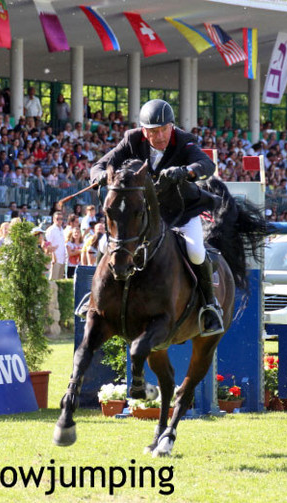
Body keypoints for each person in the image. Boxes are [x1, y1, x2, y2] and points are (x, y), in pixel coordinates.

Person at [89, 99, 224, 335]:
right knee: (105, 243)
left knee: (195, 251)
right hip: (144, 216)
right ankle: (95, 298)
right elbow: (100, 164)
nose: (159, 135)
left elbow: (206, 164)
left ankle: (209, 306)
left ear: (172, 126)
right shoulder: (131, 139)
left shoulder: (183, 140)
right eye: (153, 131)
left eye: (164, 129)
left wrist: (186, 171)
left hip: (180, 212)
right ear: (144, 131)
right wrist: (101, 176)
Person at [44, 211, 67, 280]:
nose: (59, 221)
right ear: (53, 219)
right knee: (53, 280)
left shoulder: (62, 229)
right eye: (57, 219)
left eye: (61, 219)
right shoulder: (51, 230)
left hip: (62, 259)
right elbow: (47, 243)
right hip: (55, 259)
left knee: (60, 281)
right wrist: (53, 256)